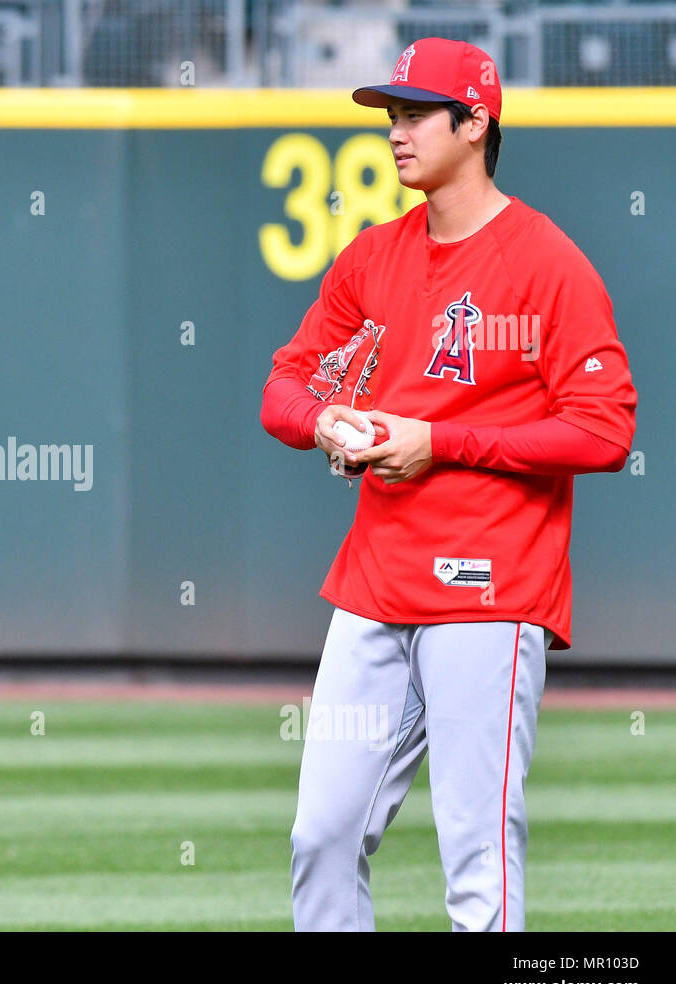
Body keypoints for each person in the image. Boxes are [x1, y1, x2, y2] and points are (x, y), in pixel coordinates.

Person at [259, 39, 637, 931]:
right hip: (374, 587)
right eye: (389, 114)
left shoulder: (549, 263)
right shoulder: (372, 258)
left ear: (475, 124)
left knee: (477, 856)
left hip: (491, 591)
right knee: (321, 836)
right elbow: (286, 384)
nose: (395, 131)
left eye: (416, 113)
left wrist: (443, 442)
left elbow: (605, 428)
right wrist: (329, 422)